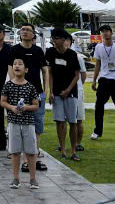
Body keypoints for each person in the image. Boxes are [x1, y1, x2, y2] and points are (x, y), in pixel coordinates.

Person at [6, 24, 48, 172]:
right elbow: (11, 70)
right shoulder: (14, 50)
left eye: (27, 30)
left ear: (33, 34)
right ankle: (25, 161)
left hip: (37, 92)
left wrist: (46, 90)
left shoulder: (38, 51)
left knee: (37, 127)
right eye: (22, 30)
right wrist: (16, 87)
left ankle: (34, 159)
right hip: (20, 94)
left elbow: (45, 70)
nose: (24, 32)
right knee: (22, 127)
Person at [0, 56, 39, 190]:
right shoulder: (8, 85)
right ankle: (16, 178)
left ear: (26, 69)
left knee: (31, 152)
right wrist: (11, 107)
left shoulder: (30, 87)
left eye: (20, 64)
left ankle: (33, 179)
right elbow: (2, 101)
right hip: (13, 122)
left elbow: (36, 105)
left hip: (28, 123)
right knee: (15, 152)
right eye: (15, 64)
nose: (17, 66)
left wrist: (26, 107)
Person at [44, 29, 83, 161]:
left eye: (57, 38)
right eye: (53, 38)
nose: (54, 40)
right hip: (56, 92)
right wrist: (50, 91)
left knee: (72, 121)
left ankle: (73, 150)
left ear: (64, 40)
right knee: (59, 121)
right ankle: (62, 149)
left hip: (71, 92)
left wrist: (68, 90)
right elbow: (50, 72)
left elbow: (77, 75)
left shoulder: (72, 54)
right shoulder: (50, 52)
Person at [90, 26, 115, 143]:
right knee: (99, 106)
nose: (105, 34)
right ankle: (97, 131)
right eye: (102, 32)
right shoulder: (98, 47)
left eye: (107, 31)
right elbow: (97, 64)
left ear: (111, 33)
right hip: (103, 80)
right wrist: (94, 80)